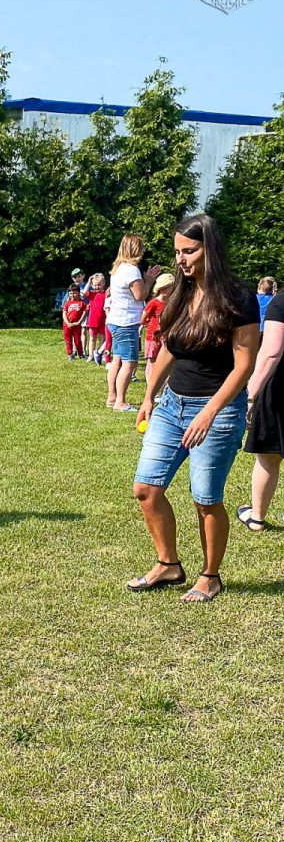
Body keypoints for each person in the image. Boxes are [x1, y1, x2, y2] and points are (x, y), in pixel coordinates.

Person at [129, 214, 260, 603]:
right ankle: (168, 565)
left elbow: (245, 366)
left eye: (189, 251)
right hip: (172, 406)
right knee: (146, 489)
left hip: (217, 410)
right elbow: (170, 346)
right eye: (177, 252)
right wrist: (149, 394)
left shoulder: (239, 298)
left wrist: (210, 413)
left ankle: (210, 575)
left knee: (206, 498)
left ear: (211, 250)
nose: (181, 260)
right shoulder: (182, 294)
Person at [237, 286, 284, 532]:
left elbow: (271, 352)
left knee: (269, 454)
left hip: (279, 389)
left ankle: (256, 517)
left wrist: (250, 395)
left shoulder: (281, 302)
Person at [106, 235, 161, 412]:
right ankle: (120, 402)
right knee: (129, 362)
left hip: (115, 320)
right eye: (141, 247)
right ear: (135, 249)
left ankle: (112, 397)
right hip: (126, 322)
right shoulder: (131, 270)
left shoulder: (119, 268)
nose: (144, 250)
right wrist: (149, 281)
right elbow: (140, 295)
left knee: (117, 359)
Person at [141, 272, 174, 386]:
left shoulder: (172, 303)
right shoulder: (153, 303)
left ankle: (164, 387)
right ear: (162, 288)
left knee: (165, 362)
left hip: (166, 337)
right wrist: (152, 327)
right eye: (171, 287)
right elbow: (143, 319)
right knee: (152, 362)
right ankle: (151, 386)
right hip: (153, 338)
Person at [61, 284, 86, 360]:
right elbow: (64, 313)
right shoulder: (67, 303)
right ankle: (70, 354)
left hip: (77, 325)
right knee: (68, 340)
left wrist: (78, 322)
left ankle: (80, 354)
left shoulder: (82, 303)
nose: (73, 295)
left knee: (78, 341)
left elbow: (84, 313)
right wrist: (67, 323)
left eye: (74, 293)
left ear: (78, 293)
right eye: (71, 293)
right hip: (67, 325)